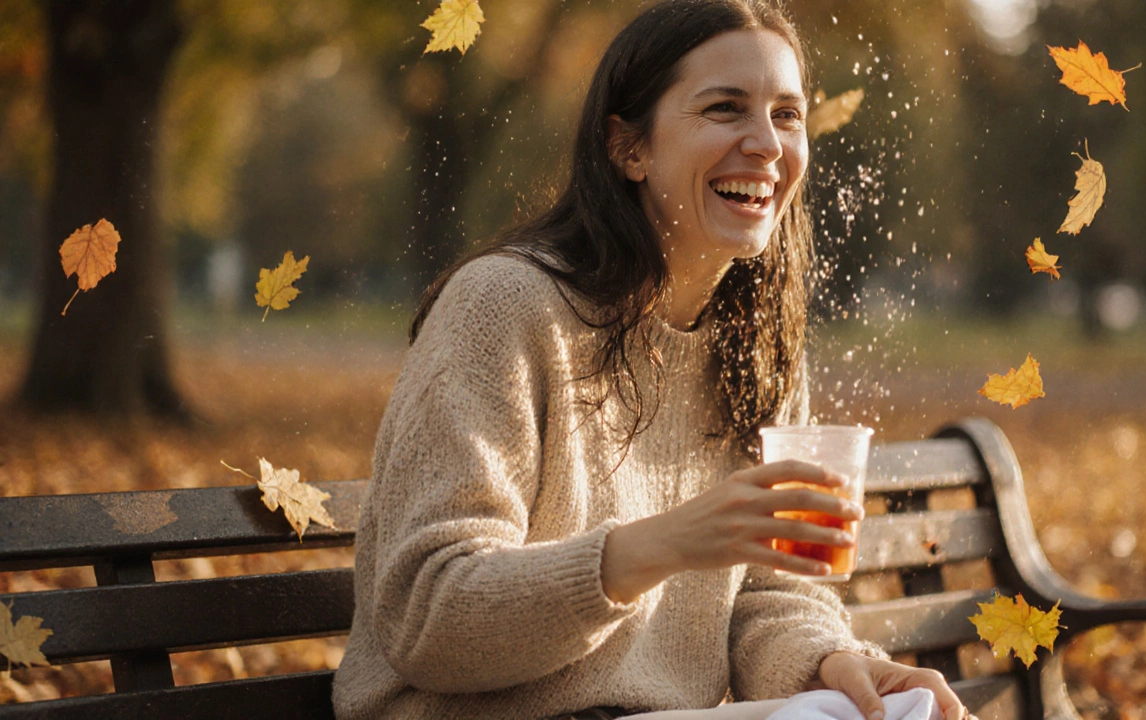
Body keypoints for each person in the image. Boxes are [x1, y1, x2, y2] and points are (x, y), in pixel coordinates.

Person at [332, 1, 970, 719]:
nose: (766, 143)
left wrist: (830, 661)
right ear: (627, 148)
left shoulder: (758, 345)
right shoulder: (503, 307)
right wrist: (659, 547)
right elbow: (427, 617)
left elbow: (774, 593)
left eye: (787, 115)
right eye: (725, 108)